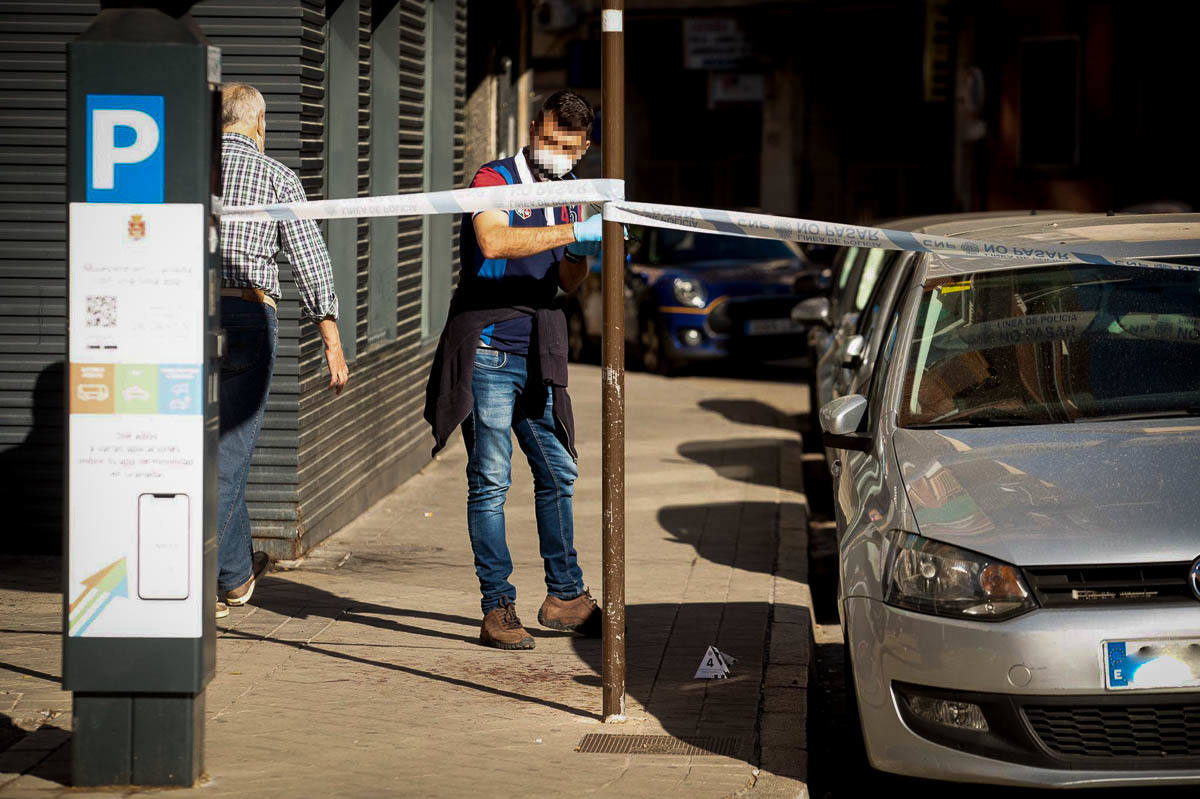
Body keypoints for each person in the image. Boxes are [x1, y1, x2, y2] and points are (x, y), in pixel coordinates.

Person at [425, 90, 608, 650]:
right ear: (533, 129)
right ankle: (497, 607)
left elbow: (568, 283)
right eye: (548, 140)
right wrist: (571, 232)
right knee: (491, 481)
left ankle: (565, 596)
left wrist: (583, 253)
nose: (555, 152)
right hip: (487, 348)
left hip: (540, 350)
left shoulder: (573, 192)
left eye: (568, 147)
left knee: (559, 473)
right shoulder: (494, 178)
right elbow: (493, 239)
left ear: (585, 147)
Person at [217, 83, 349, 618]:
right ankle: (202, 582)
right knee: (228, 454)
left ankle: (233, 575)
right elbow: (311, 260)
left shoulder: (183, 171)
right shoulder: (276, 176)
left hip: (181, 315)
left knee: (222, 456)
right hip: (248, 314)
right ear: (260, 123)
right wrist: (332, 344)